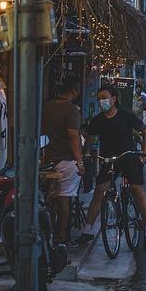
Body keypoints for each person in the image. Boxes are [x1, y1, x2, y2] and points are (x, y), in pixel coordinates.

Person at [78, 85, 146, 250]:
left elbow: (145, 130)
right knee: (100, 191)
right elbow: (90, 141)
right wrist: (86, 154)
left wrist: (145, 152)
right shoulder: (97, 121)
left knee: (137, 190)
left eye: (104, 98)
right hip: (108, 160)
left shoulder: (126, 116)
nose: (102, 102)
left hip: (129, 157)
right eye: (99, 99)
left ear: (113, 99)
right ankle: (88, 230)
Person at [41, 81, 84, 245]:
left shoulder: (46, 107)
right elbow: (73, 136)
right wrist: (80, 162)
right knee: (65, 199)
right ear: (73, 91)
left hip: (48, 160)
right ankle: (61, 236)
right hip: (66, 161)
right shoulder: (71, 110)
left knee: (50, 197)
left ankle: (48, 232)